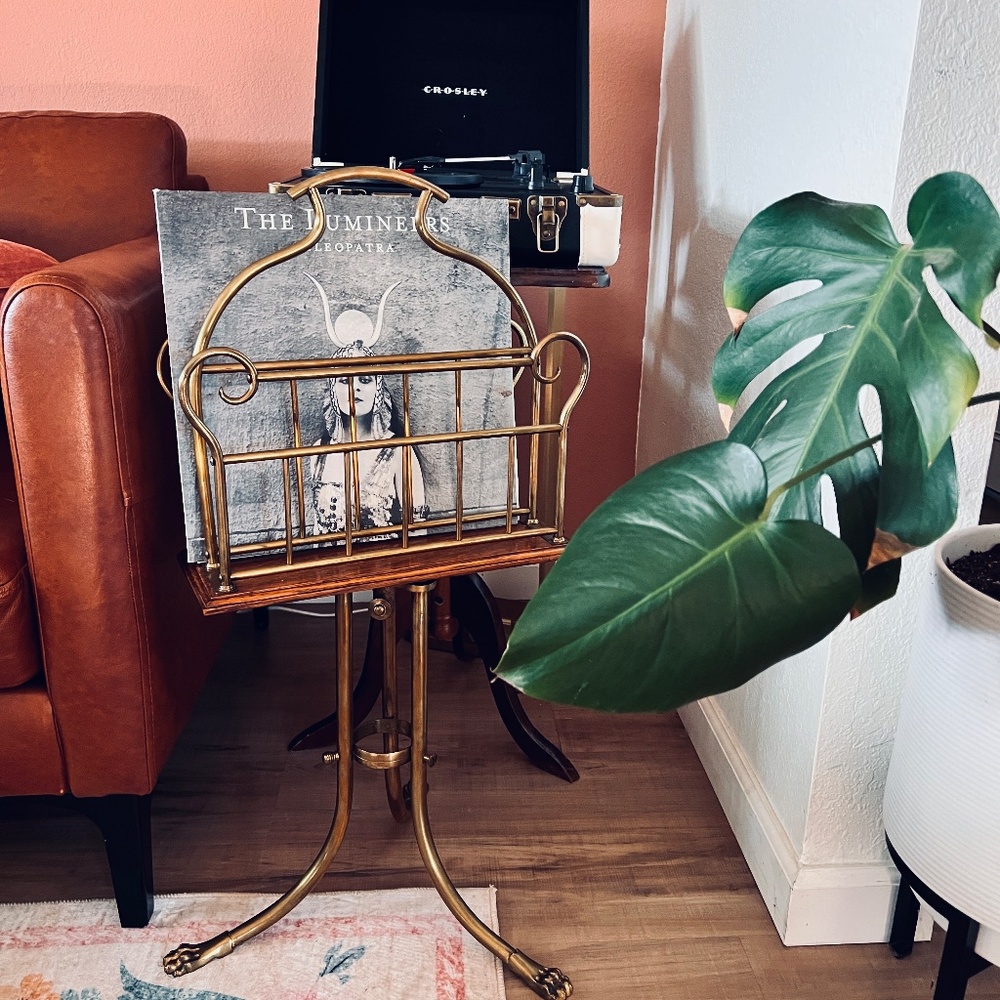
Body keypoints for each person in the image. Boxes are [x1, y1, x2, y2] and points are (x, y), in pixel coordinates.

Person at [306, 274, 428, 538]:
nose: (355, 388)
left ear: (378, 390)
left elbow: (418, 532)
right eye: (344, 380)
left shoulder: (399, 453)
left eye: (364, 380)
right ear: (333, 390)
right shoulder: (319, 451)